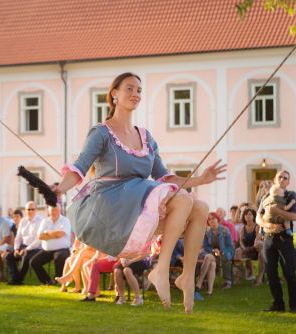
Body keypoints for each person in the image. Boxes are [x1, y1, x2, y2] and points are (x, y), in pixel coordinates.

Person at [53, 72, 225, 313]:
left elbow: (165, 177)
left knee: (201, 208)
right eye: (129, 89)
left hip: (139, 203)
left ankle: (186, 276)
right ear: (114, 94)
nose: (135, 94)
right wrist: (59, 188)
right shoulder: (101, 133)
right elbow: (80, 167)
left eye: (139, 90)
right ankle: (161, 269)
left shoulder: (146, 137)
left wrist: (201, 179)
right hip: (112, 206)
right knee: (184, 199)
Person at [257, 170, 296, 313]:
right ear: (275, 179)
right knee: (271, 273)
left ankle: (294, 306)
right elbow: (258, 217)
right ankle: (278, 304)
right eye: (279, 177)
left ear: (288, 182)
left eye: (285, 178)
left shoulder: (290, 196)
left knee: (289, 272)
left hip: (284, 238)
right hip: (268, 239)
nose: (282, 179)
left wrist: (277, 211)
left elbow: (294, 216)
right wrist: (267, 225)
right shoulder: (266, 196)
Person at [30, 205, 71, 285]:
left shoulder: (65, 220)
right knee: (34, 262)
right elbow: (40, 236)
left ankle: (58, 279)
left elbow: (60, 234)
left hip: (62, 249)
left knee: (59, 256)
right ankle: (47, 281)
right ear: (48, 211)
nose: (54, 212)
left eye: (56, 210)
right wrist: (54, 234)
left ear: (60, 210)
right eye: (52, 210)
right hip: (47, 250)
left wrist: (47, 233)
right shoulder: (45, 221)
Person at [195, 212, 234, 295]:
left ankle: (199, 282)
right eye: (209, 219)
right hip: (212, 254)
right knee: (210, 260)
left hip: (224, 254)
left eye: (213, 218)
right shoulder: (207, 232)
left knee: (210, 260)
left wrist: (221, 252)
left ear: (217, 219)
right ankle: (209, 290)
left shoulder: (224, 231)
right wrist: (213, 251)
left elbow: (230, 246)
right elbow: (206, 247)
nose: (211, 220)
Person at [6, 203, 43, 285]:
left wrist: (26, 249)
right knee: (9, 256)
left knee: (25, 255)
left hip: (36, 248)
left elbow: (38, 240)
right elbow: (18, 237)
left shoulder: (41, 221)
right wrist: (16, 249)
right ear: (25, 211)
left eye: (32, 209)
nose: (30, 211)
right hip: (23, 247)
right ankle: (15, 277)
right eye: (28, 209)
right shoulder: (23, 221)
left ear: (36, 210)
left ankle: (18, 280)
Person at [235, 208, 265, 285]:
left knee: (261, 253)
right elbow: (241, 240)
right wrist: (243, 247)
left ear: (253, 216)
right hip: (246, 248)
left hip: (255, 248)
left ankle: (260, 278)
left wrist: (250, 248)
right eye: (246, 214)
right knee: (237, 251)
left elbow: (258, 240)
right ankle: (238, 276)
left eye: (249, 214)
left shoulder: (257, 227)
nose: (247, 216)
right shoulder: (243, 228)